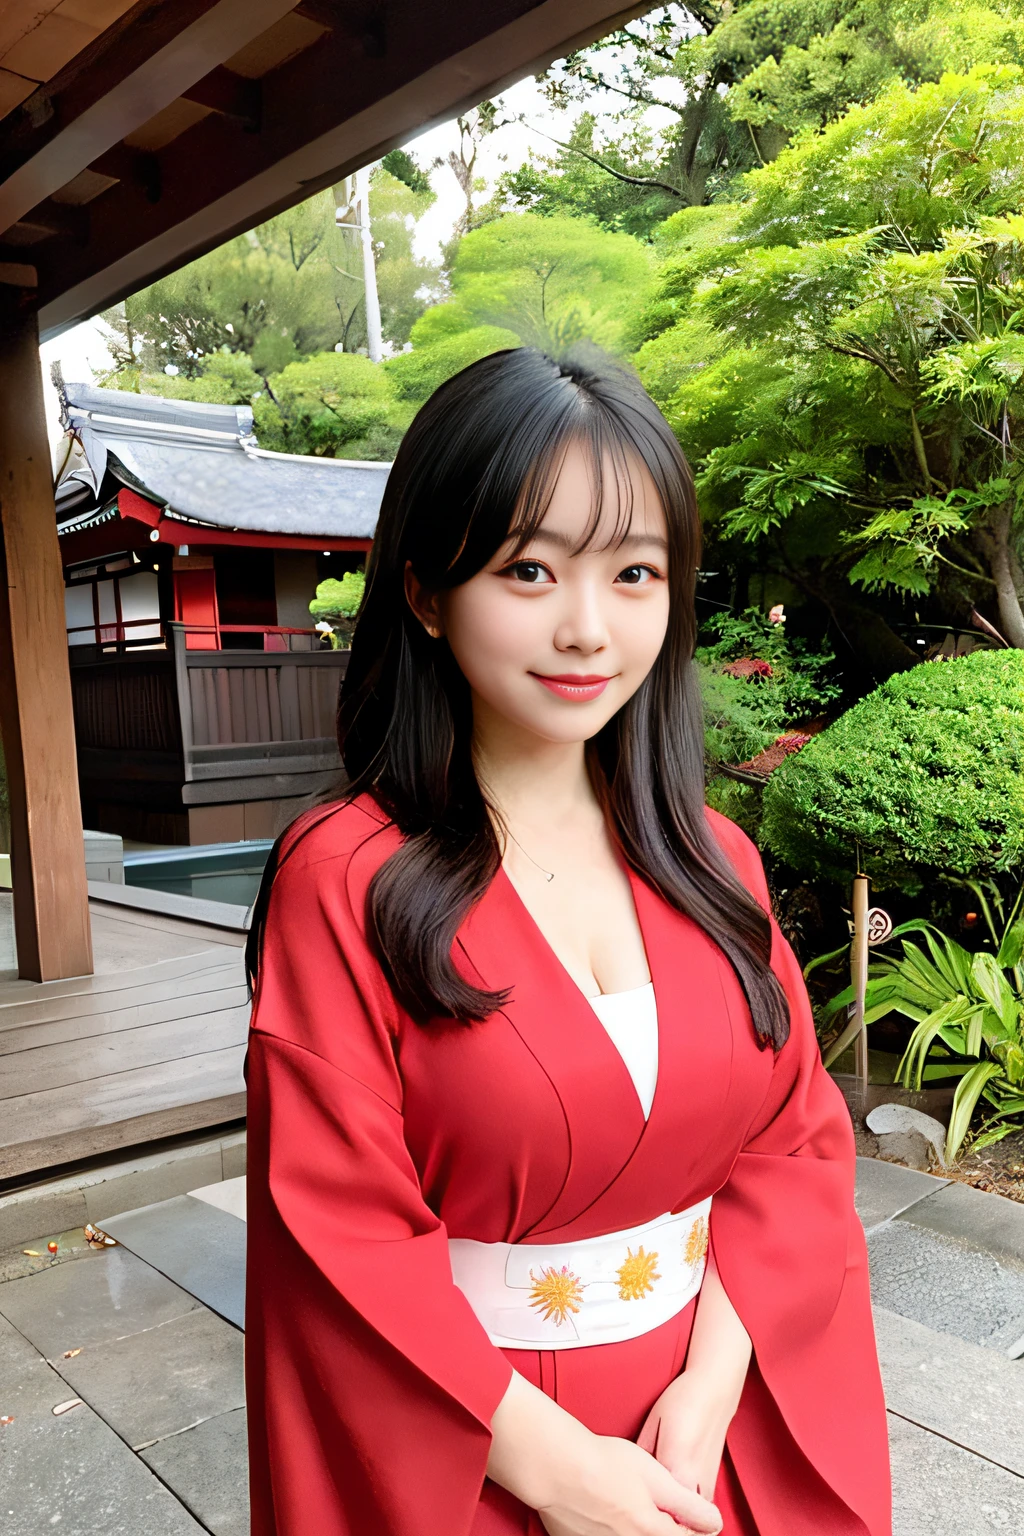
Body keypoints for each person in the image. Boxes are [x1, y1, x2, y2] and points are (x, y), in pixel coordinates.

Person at [243, 348, 892, 1536]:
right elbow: (337, 1229)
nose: (588, 629)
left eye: (634, 573)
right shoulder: (345, 878)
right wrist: (554, 1472)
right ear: (428, 595)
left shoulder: (713, 858)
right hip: (476, 1441)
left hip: (705, 1424)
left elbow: (794, 1147)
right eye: (529, 569)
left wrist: (715, 1381)